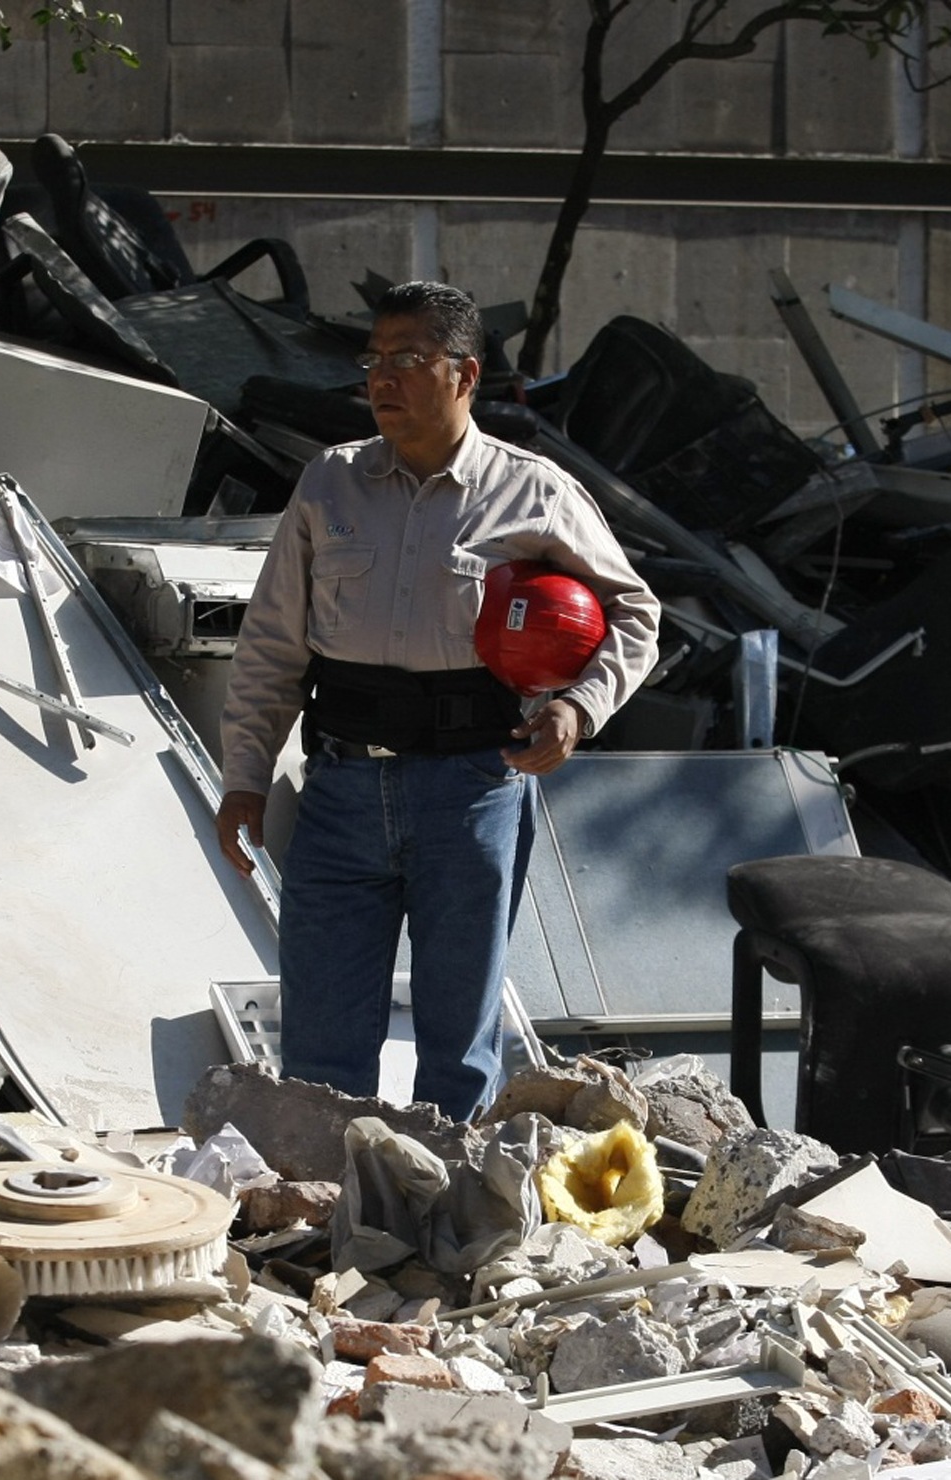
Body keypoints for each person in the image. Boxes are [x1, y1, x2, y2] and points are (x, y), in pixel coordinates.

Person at [215, 281, 661, 1120]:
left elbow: (636, 613)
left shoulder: (534, 493)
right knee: (320, 1040)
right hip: (341, 792)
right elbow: (272, 645)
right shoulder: (329, 486)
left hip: (472, 791)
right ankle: (326, 1217)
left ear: (465, 375)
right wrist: (244, 775)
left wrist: (577, 707)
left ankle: (450, 1225)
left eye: (408, 359)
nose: (383, 377)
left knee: (458, 1041)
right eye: (374, 360)